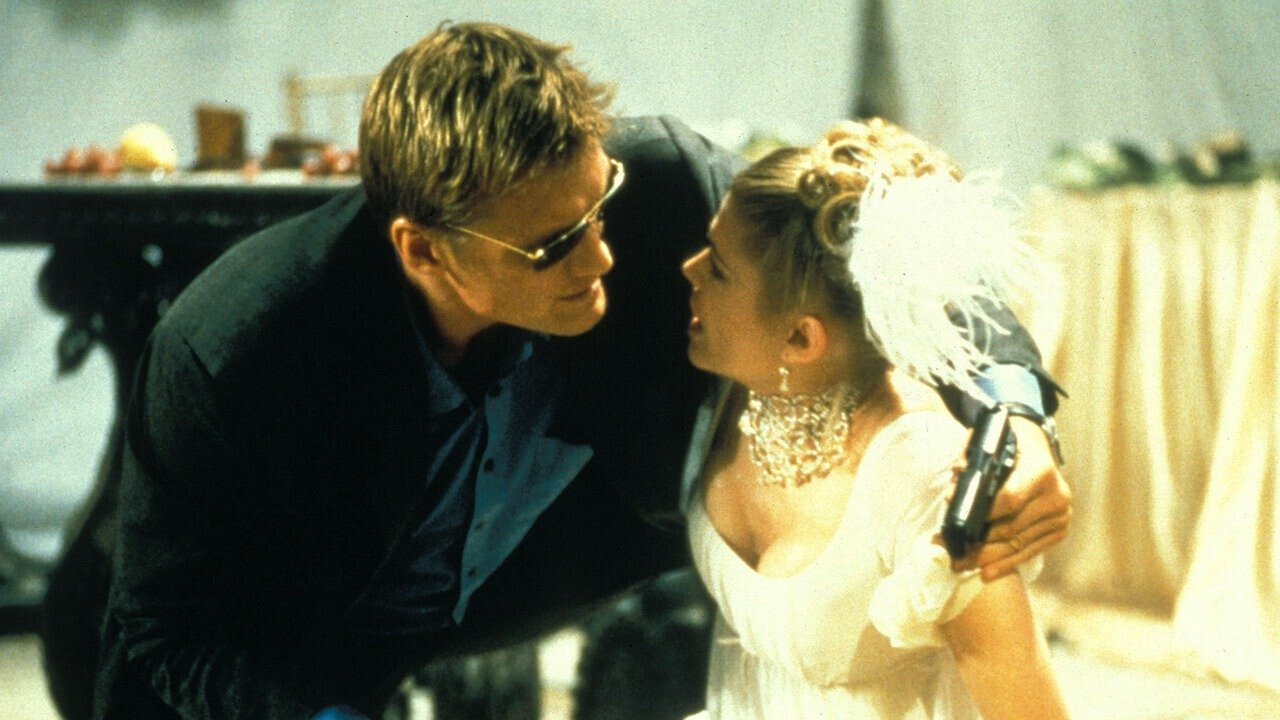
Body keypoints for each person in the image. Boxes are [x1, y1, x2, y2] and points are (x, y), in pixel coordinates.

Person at [87, 23, 1068, 720]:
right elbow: (174, 630)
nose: (603, 257)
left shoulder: (659, 192)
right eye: (554, 244)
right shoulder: (234, 351)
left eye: (599, 205)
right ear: (425, 251)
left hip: (545, 586)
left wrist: (1012, 415)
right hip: (285, 656)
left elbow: (887, 251)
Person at [680, 119, 1069, 719]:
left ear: (801, 339)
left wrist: (1021, 420)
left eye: (719, 269)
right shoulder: (734, 384)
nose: (689, 269)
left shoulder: (925, 476)